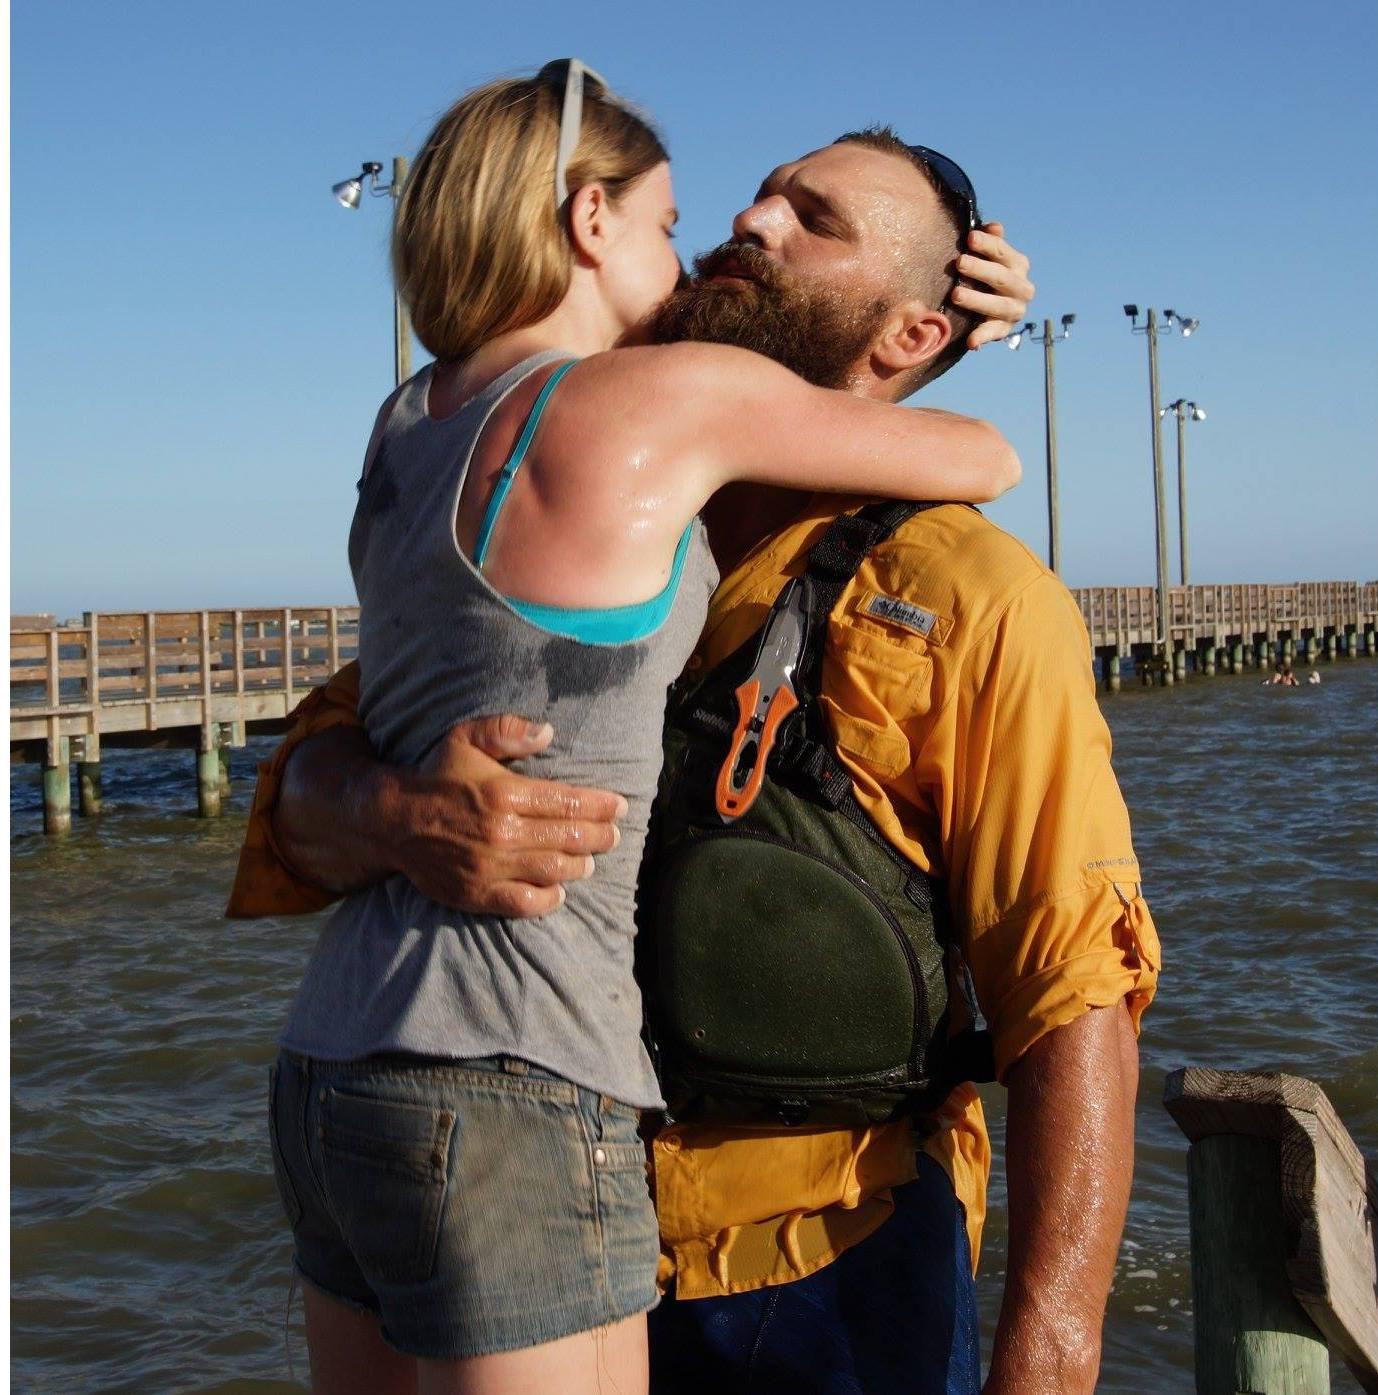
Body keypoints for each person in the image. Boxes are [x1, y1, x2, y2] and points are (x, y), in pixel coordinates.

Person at [231, 124, 1155, 1395]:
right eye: (760, 199)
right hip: (521, 1209)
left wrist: (1047, 1357)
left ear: (910, 336)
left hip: (824, 1260)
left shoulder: (965, 596)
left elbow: (1074, 985)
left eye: (815, 221)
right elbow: (306, 778)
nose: (752, 222)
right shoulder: (580, 512)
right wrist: (395, 812)